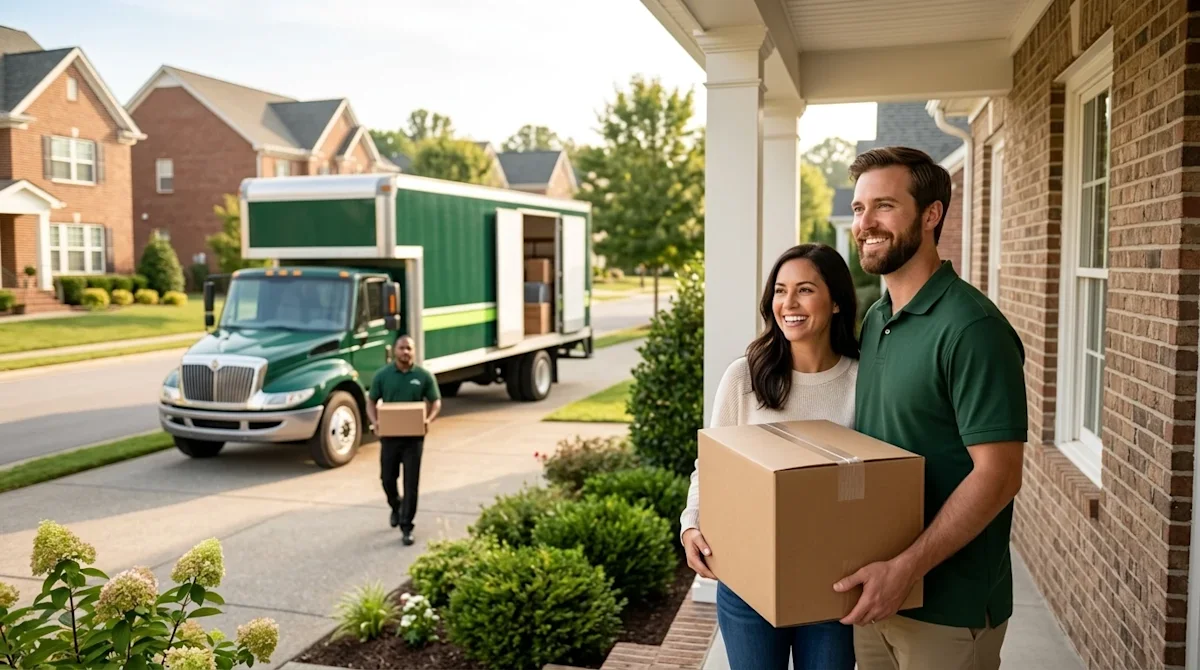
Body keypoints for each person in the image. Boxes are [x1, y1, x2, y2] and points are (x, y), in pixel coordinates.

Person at [831, 146, 1027, 670]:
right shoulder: (876, 320)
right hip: (877, 594)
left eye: (884, 207)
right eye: (857, 208)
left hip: (947, 608)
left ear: (932, 214)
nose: (865, 223)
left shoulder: (972, 328)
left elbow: (1000, 475)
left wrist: (907, 569)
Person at [680, 243, 860, 670]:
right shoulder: (745, 376)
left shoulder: (863, 379)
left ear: (836, 302)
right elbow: (711, 465)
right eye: (780, 291)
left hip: (830, 586)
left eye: (804, 290)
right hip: (748, 582)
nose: (788, 304)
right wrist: (690, 525)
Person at [366, 335, 441, 546]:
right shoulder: (383, 375)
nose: (405, 352)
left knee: (411, 483)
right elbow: (371, 401)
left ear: (414, 351)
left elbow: (435, 402)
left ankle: (407, 526)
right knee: (387, 479)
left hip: (414, 439)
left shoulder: (423, 376)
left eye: (409, 348)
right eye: (401, 348)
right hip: (389, 437)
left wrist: (428, 419)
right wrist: (375, 422)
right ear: (394, 351)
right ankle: (396, 506)